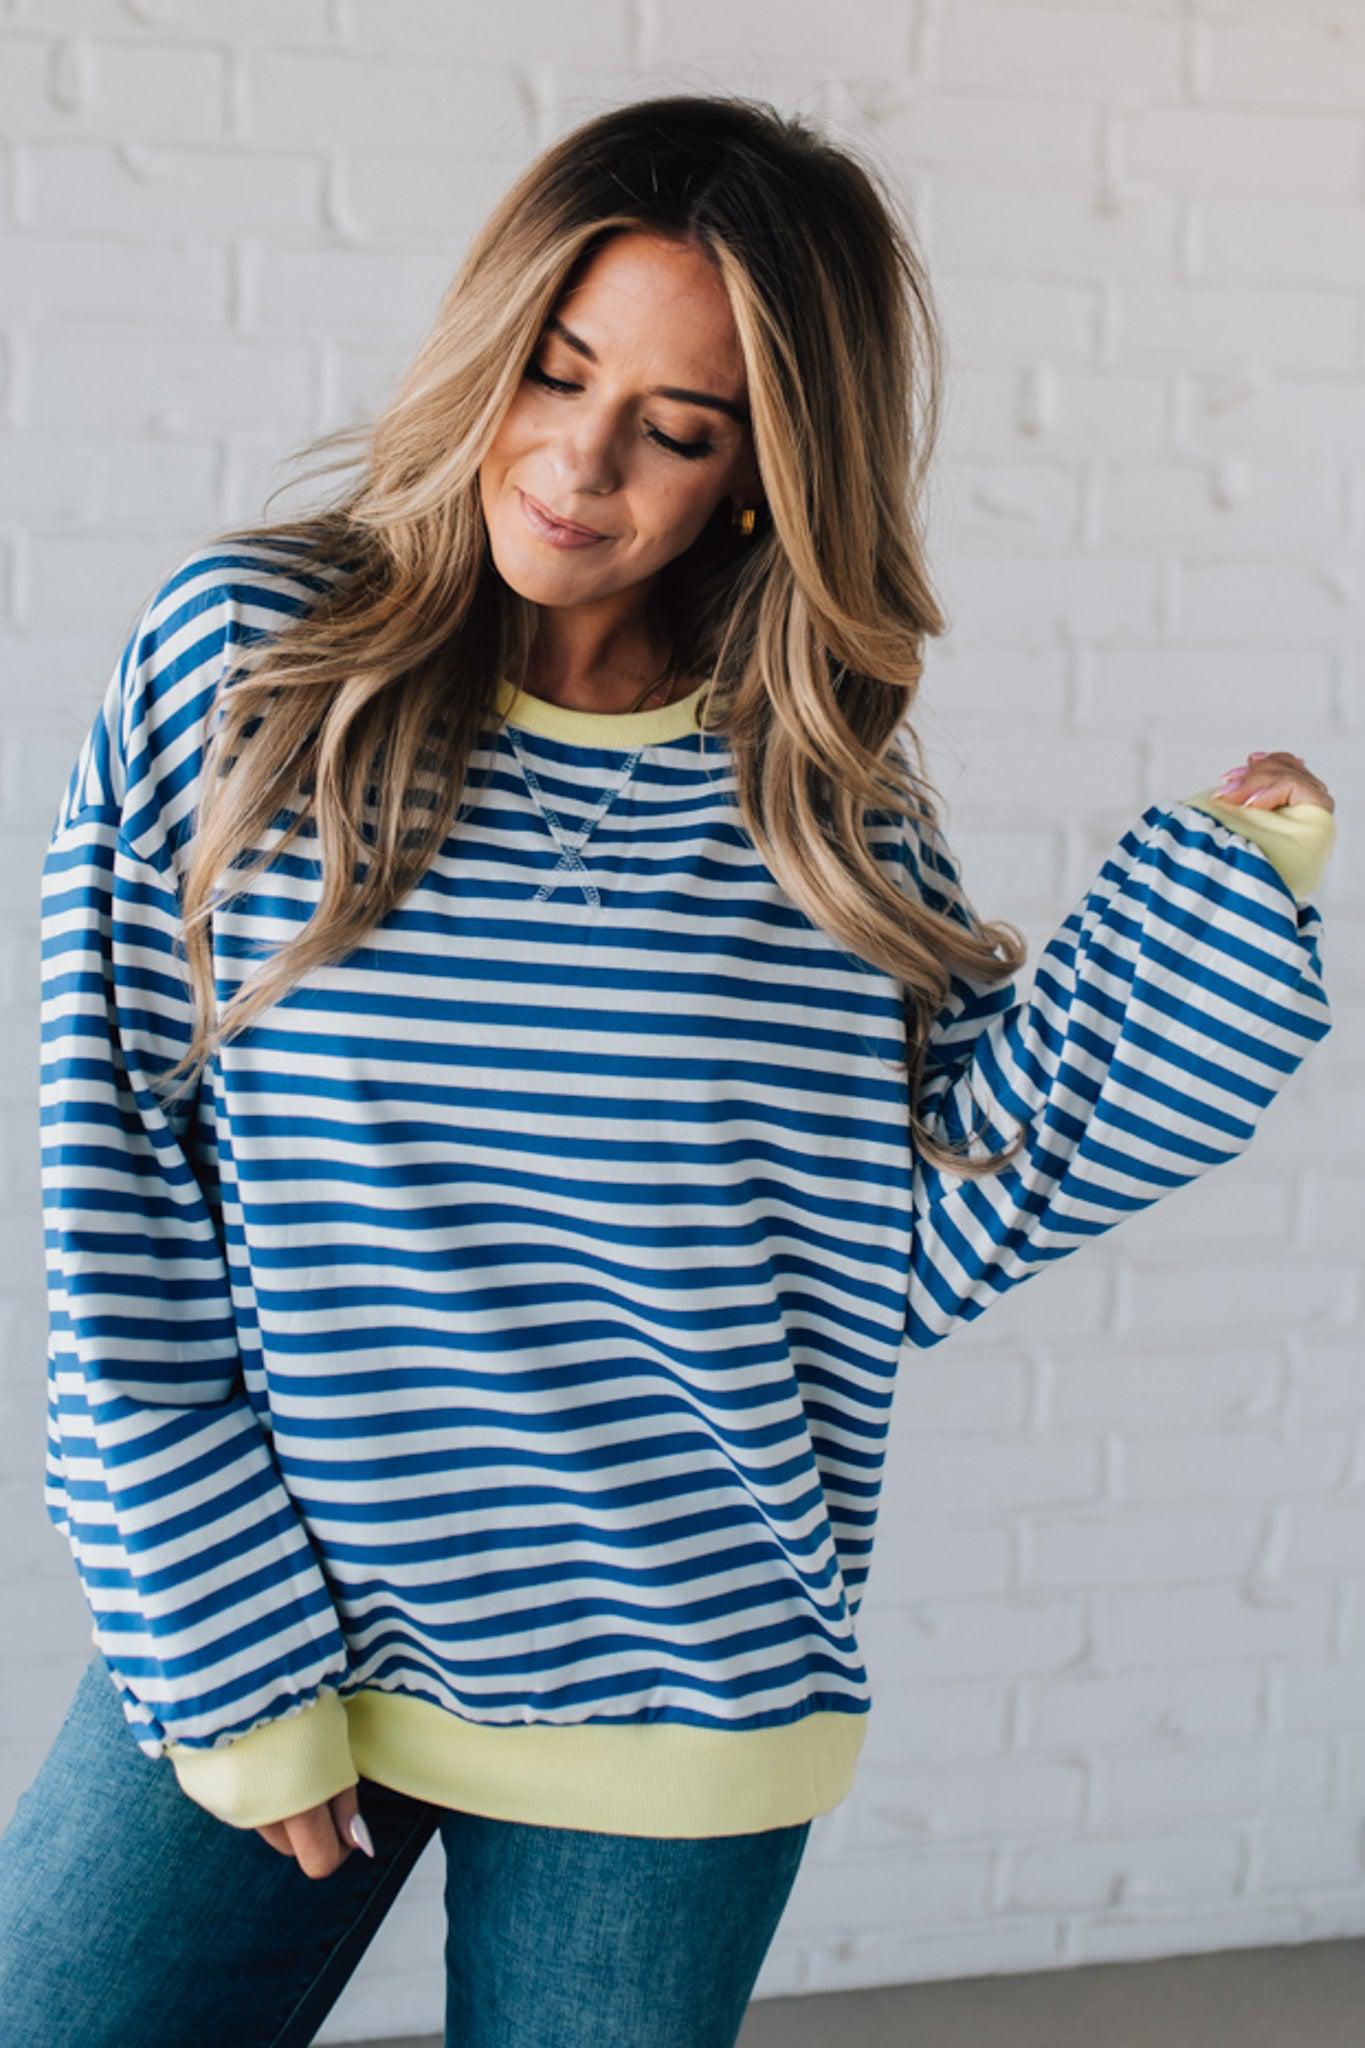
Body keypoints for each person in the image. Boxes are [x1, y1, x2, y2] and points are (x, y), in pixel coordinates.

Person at [0, 89, 1337, 2048]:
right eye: (553, 371)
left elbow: (930, 1211)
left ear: (760, 471)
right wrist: (224, 1660)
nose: (575, 459)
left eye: (678, 427)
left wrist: (1225, 893)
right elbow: (116, 1187)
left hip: (677, 1675)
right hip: (268, 1616)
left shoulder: (808, 795)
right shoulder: (252, 663)